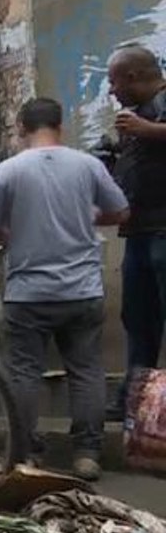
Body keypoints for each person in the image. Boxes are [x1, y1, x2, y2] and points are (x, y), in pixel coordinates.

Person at [0, 97, 129, 481]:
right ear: (60, 126)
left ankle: (24, 455)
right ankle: (87, 454)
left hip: (28, 292)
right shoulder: (88, 165)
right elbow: (121, 210)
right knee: (86, 370)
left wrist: (11, 234)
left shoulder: (8, 171)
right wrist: (87, 217)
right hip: (82, 290)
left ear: (21, 128)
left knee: (25, 373)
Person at [107, 45, 166, 418]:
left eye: (113, 82)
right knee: (138, 319)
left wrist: (149, 130)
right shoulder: (134, 116)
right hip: (138, 232)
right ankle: (134, 400)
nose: (111, 91)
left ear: (132, 77)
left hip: (163, 230)